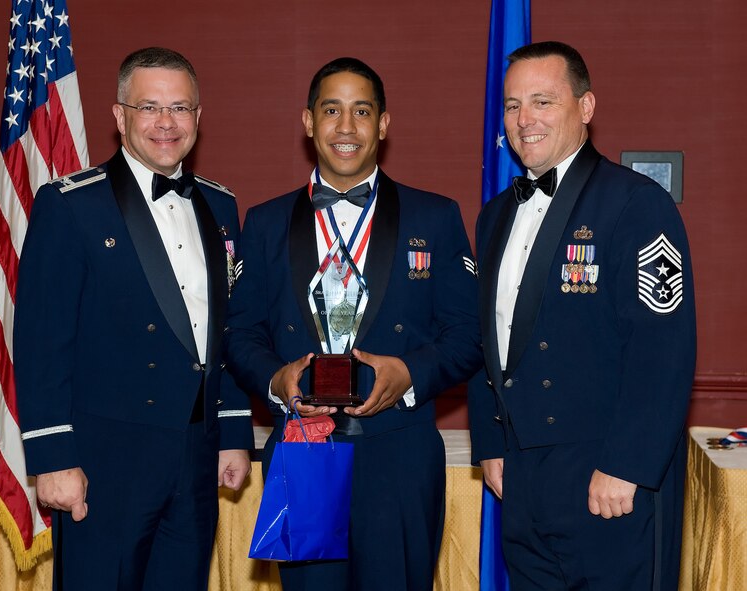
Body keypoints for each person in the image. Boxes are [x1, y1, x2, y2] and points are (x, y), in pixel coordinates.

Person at [223, 57, 482, 591]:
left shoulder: (435, 217)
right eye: (331, 110)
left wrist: (410, 373)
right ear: (308, 121)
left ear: (383, 124)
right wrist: (275, 379)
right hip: (302, 449)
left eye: (362, 112)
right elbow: (240, 332)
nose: (346, 127)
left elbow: (468, 335)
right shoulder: (265, 222)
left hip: (400, 455)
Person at [13, 47, 253, 590]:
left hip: (195, 456)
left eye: (180, 108)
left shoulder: (221, 205)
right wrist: (52, 458)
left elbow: (228, 328)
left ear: (198, 117)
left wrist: (234, 430)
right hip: (105, 460)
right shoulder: (70, 205)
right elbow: (41, 341)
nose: (166, 122)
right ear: (120, 117)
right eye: (149, 107)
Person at [469, 41, 696, 590]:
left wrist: (627, 465)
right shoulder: (494, 216)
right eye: (513, 105)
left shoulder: (636, 203)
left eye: (543, 101)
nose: (525, 119)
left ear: (586, 107)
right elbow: (487, 339)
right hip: (522, 477)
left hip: (608, 475)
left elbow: (662, 350)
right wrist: (491, 445)